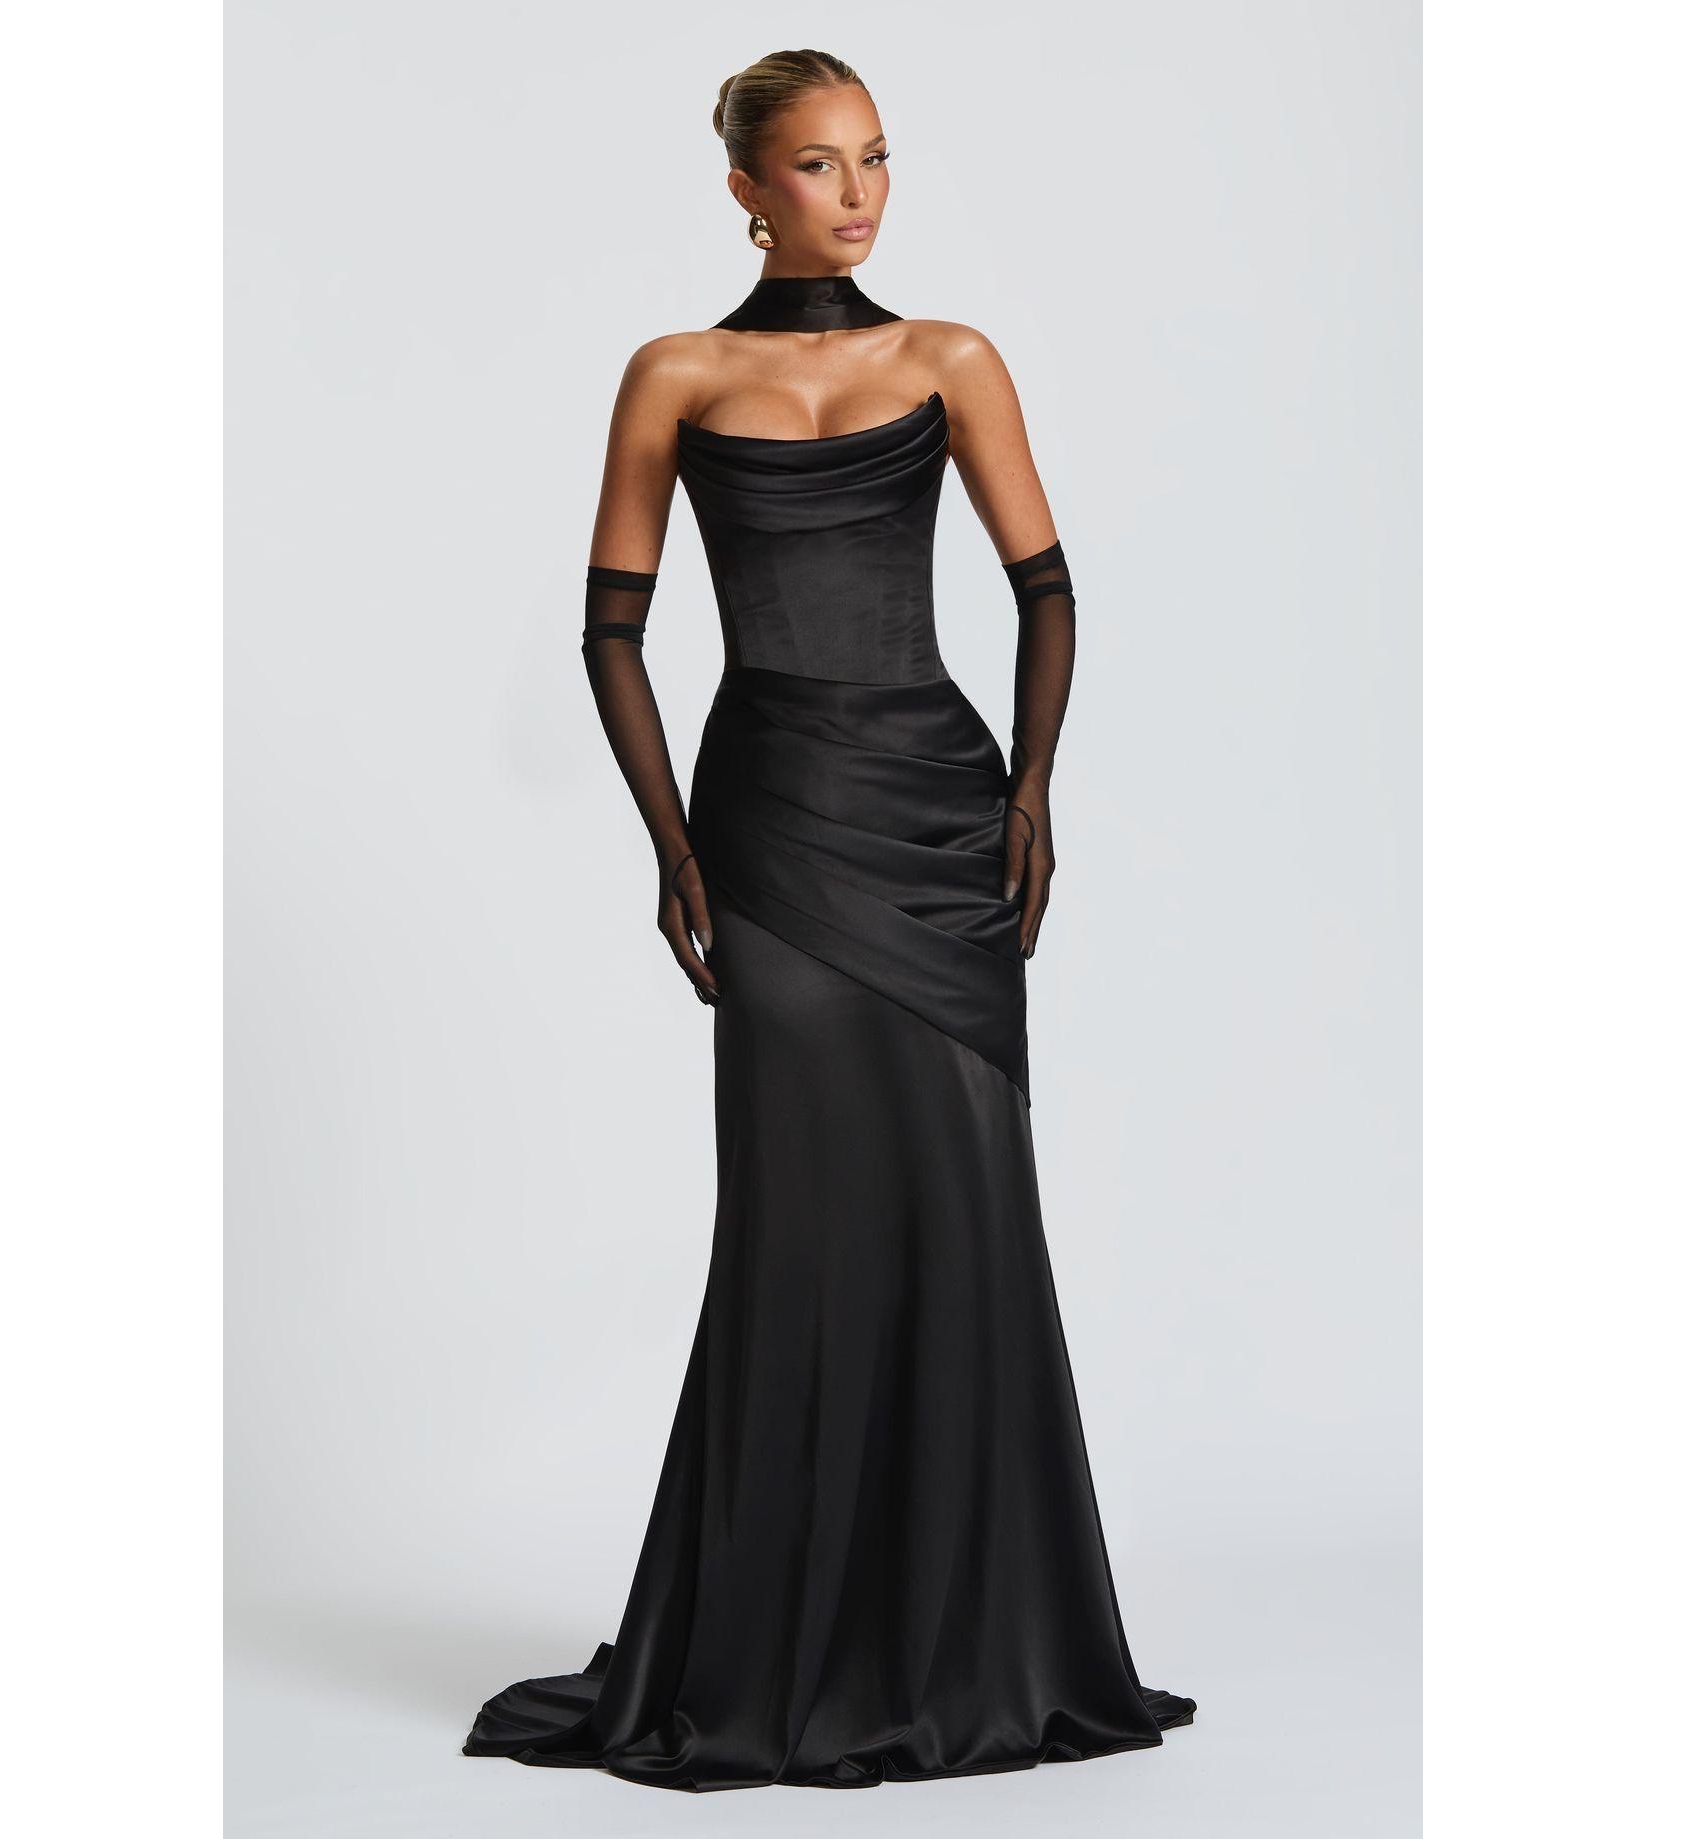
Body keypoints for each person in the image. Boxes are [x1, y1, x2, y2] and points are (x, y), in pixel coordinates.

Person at [463, 47, 1196, 1791]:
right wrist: (672, 846)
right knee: (797, 1220)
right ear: (745, 187)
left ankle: (973, 1642)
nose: (856, 193)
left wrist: (1030, 790)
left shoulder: (952, 359)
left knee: (964, 1206)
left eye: (874, 158)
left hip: (936, 823)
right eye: (816, 164)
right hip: (773, 822)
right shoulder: (675, 373)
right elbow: (611, 629)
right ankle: (776, 1644)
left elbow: (1046, 586)